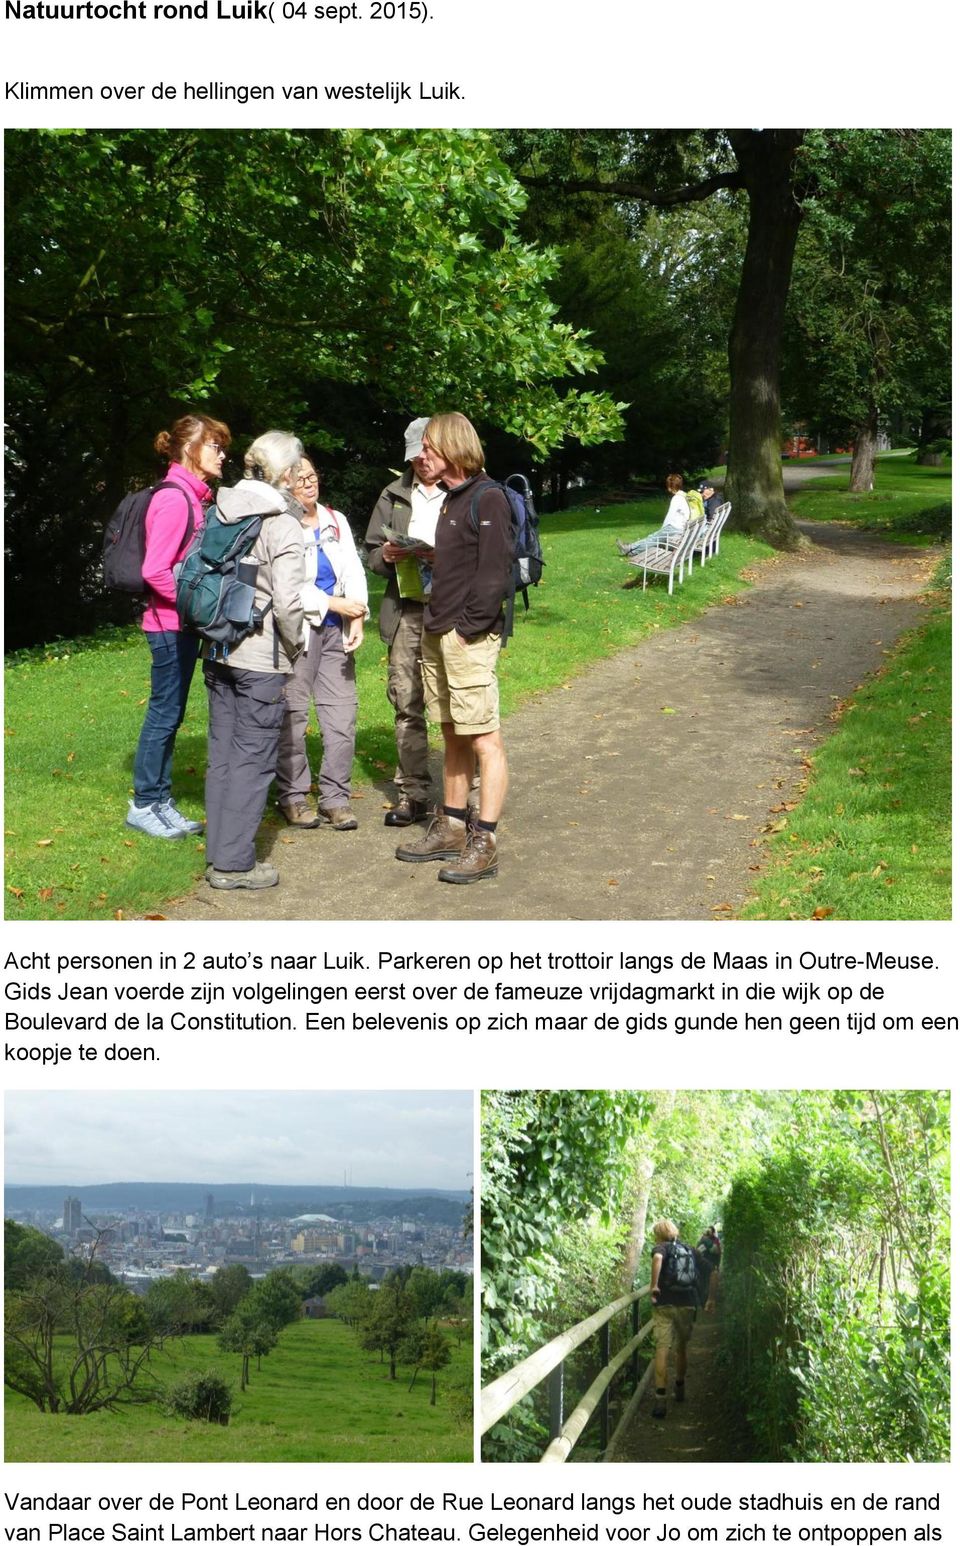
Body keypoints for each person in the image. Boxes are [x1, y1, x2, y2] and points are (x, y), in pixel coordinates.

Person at [394, 412, 512, 884]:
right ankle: (451, 827)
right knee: (453, 734)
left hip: (466, 637)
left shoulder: (489, 498)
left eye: (429, 447)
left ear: (454, 447)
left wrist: (467, 630)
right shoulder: (450, 500)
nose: (421, 456)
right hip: (437, 631)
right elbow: (462, 562)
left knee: (485, 740)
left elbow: (494, 573)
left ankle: (485, 840)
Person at [202, 431, 306, 890]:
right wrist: (296, 645)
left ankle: (218, 852)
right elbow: (287, 603)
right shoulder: (282, 525)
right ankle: (234, 865)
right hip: (260, 658)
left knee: (222, 753)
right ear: (285, 475)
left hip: (217, 648)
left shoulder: (219, 511)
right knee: (253, 758)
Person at [127, 412, 230, 839]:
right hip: (169, 625)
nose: (223, 455)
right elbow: (156, 571)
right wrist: (197, 607)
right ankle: (145, 803)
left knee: (171, 714)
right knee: (164, 714)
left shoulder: (194, 496)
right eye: (215, 446)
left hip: (179, 625)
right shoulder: (174, 498)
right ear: (190, 449)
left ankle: (160, 799)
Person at [276, 456, 369, 832]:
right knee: (293, 716)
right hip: (296, 633)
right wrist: (332, 603)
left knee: (342, 716)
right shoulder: (279, 526)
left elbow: (353, 568)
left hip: (336, 631)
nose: (309, 484)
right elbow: (285, 586)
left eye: (313, 476)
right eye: (300, 479)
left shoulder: (335, 519)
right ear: (284, 486)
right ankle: (293, 796)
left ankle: (336, 798)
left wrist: (357, 613)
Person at [364, 417, 446, 827]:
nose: (422, 461)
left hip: (450, 613)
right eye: (416, 455)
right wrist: (387, 557)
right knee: (407, 703)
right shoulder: (394, 493)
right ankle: (411, 794)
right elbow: (372, 553)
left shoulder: (464, 490)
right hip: (407, 611)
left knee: (454, 705)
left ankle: (463, 798)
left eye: (427, 453)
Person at [649, 1218, 700, 1419]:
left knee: (662, 1348)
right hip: (687, 1303)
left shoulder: (660, 1247)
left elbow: (657, 1259)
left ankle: (660, 1400)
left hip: (664, 1304)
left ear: (659, 1234)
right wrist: (708, 1298)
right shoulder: (689, 1248)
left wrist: (654, 1285)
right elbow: (706, 1270)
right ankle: (679, 1387)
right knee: (681, 1348)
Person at [616, 473, 689, 558]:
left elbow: (670, 515)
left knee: (653, 539)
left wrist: (663, 528)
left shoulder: (677, 498)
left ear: (670, 486)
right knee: (653, 537)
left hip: (674, 528)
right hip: (681, 527)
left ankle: (630, 550)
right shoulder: (684, 496)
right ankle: (630, 549)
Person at [696, 1222, 722, 1312]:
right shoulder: (706, 1240)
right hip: (707, 1266)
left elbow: (698, 1252)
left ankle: (705, 1305)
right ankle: (706, 1305)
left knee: (704, 1284)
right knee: (706, 1284)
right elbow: (714, 1251)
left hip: (704, 1266)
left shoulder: (704, 1240)